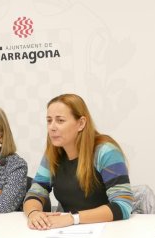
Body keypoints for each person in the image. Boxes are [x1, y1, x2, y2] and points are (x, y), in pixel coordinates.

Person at [23, 94, 133, 229]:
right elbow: (36, 192)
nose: (52, 127)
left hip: (111, 229)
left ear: (81, 123)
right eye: (49, 120)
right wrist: (34, 213)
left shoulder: (106, 152)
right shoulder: (53, 154)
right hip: (72, 231)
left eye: (60, 120)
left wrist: (73, 218)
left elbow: (123, 206)